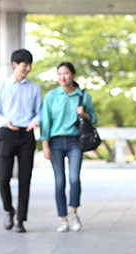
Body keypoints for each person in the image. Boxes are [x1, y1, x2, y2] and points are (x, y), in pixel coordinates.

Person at [0, 49, 42, 233]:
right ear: (14, 65)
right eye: (24, 65)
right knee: (2, 178)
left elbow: (40, 111)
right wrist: (5, 121)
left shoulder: (35, 88)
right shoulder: (1, 86)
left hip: (26, 135)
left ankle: (20, 219)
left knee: (25, 179)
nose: (27, 68)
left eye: (29, 65)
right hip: (7, 134)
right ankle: (9, 210)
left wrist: (36, 121)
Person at [40, 62, 98, 232]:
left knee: (74, 179)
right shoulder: (51, 96)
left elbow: (93, 119)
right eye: (59, 74)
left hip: (75, 142)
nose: (62, 77)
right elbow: (46, 122)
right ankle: (63, 219)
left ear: (73, 75)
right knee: (59, 182)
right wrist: (45, 145)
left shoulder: (83, 96)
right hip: (55, 142)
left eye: (65, 73)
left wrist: (84, 114)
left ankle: (73, 213)